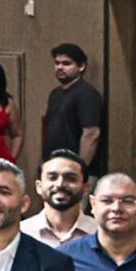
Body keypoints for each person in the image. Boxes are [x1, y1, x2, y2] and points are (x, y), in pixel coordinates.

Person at [42, 42, 106, 174]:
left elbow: (91, 134)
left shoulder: (86, 94)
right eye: (57, 63)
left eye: (66, 64)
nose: (60, 67)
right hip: (54, 166)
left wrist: (80, 169)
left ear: (81, 66)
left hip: (76, 171)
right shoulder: (55, 94)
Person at [22, 149, 95, 249]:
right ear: (39, 186)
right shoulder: (21, 233)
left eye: (71, 178)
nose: (60, 184)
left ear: (86, 188)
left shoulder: (100, 233)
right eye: (52, 177)